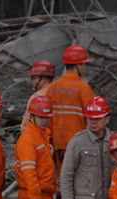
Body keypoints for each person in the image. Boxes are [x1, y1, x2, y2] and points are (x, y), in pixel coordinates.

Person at [46, 45, 95, 176]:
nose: (84, 68)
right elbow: (93, 117)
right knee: (80, 180)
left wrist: (49, 141)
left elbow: (47, 119)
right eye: (84, 65)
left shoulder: (52, 88)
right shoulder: (83, 88)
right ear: (78, 66)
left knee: (65, 180)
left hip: (58, 144)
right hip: (79, 144)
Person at [20, 60, 56, 133]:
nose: (32, 82)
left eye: (33, 78)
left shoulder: (36, 96)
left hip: (42, 136)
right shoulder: (61, 92)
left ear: (43, 79)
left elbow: (25, 124)